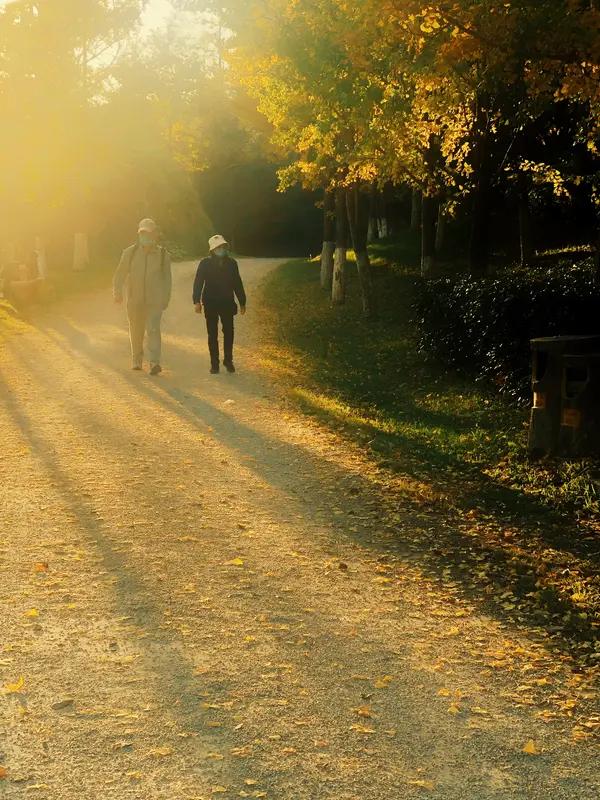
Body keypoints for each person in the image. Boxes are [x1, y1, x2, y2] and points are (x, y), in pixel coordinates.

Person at [113, 218, 172, 375]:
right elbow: (120, 274)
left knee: (153, 329)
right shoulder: (129, 253)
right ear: (139, 234)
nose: (145, 237)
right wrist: (117, 292)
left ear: (155, 235)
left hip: (155, 300)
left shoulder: (163, 255)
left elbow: (167, 279)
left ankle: (154, 363)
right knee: (136, 330)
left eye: (148, 234)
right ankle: (137, 360)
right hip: (135, 300)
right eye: (142, 233)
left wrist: (166, 298)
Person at [193, 235, 246, 374]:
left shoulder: (232, 264)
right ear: (212, 249)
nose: (221, 249)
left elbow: (237, 283)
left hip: (227, 302)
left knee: (229, 332)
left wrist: (242, 301)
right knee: (212, 334)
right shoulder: (205, 263)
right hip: (210, 303)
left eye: (223, 247)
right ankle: (214, 363)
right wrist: (196, 301)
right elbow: (198, 282)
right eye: (218, 247)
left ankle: (228, 360)